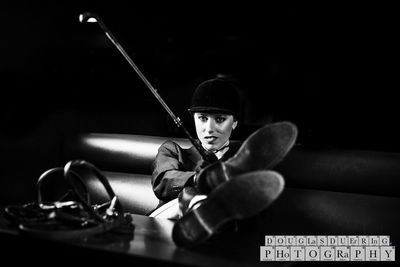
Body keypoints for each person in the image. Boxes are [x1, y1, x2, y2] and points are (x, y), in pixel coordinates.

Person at [149, 77, 298, 247]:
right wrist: (202, 179)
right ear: (194, 118)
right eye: (203, 118)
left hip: (225, 239)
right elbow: (163, 181)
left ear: (234, 122)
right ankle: (202, 203)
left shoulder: (248, 158)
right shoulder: (172, 150)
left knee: (243, 199)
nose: (209, 128)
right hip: (166, 227)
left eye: (219, 119)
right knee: (192, 193)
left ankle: (206, 207)